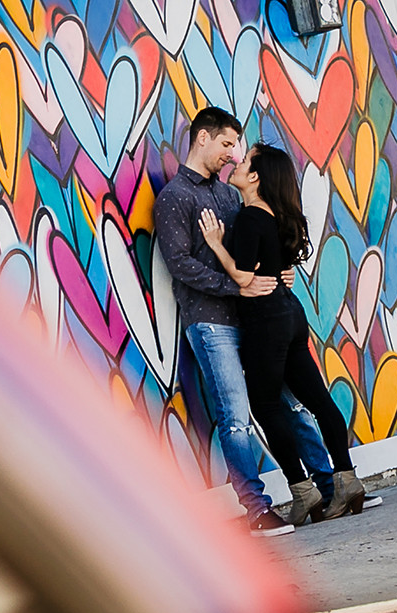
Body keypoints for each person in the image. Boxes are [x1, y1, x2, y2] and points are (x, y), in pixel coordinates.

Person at [152, 107, 335, 534]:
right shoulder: (175, 198)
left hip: (257, 322)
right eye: (227, 144)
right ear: (202, 139)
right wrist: (237, 288)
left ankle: (328, 487)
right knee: (235, 415)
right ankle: (256, 508)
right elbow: (179, 265)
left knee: (292, 404)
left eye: (236, 147)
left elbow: (249, 255)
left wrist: (279, 268)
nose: (233, 155)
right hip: (211, 323)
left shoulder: (229, 195)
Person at [198, 145, 369, 521]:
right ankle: (347, 479)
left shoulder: (249, 219)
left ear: (255, 177)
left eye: (244, 162)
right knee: (319, 400)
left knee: (265, 405)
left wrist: (215, 245)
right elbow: (277, 270)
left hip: (266, 321)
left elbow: (243, 277)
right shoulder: (278, 216)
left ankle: (303, 491)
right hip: (291, 313)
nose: (237, 164)